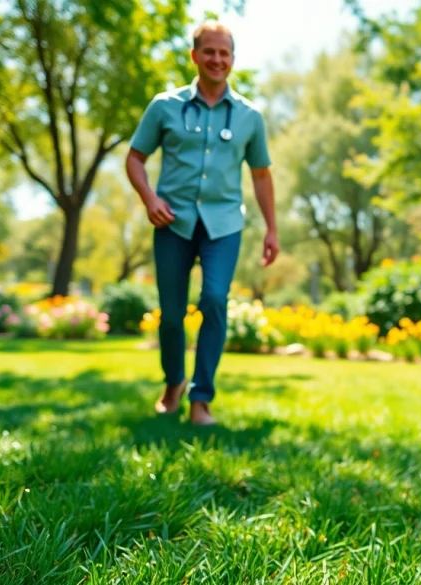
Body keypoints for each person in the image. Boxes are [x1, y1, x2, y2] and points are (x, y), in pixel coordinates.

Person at [125, 20, 278, 426]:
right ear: (194, 56)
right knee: (171, 313)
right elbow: (135, 158)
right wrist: (149, 198)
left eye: (224, 53)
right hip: (172, 222)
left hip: (224, 225)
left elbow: (261, 175)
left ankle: (201, 399)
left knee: (214, 299)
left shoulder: (249, 117)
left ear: (233, 60)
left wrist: (272, 229)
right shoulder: (164, 106)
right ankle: (173, 382)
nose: (217, 59)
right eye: (209, 51)